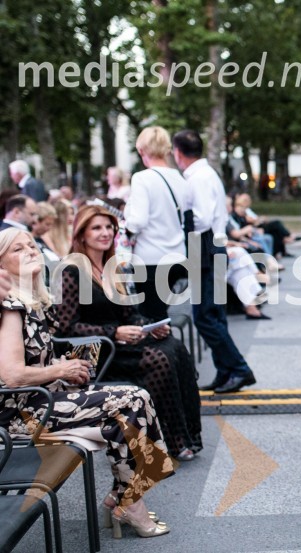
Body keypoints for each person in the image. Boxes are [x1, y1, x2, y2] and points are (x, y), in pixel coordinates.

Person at [0, 227, 172, 538]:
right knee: (130, 401)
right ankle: (128, 501)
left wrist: (64, 365)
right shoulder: (11, 308)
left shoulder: (31, 302)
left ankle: (124, 496)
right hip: (24, 414)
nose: (30, 251)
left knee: (138, 397)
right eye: (17, 249)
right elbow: (13, 375)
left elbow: (34, 359)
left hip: (45, 400)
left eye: (31, 245)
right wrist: (60, 371)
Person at [53, 204, 202, 460]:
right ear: (82, 234)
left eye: (109, 227)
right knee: (158, 360)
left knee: (174, 346)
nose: (105, 233)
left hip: (118, 343)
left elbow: (130, 312)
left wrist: (149, 326)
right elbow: (66, 327)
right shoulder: (71, 271)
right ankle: (163, 441)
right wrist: (115, 332)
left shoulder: (114, 267)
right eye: (96, 228)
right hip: (94, 349)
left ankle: (184, 434)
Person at [171, 129, 258, 394]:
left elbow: (202, 219)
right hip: (213, 246)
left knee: (205, 316)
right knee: (214, 315)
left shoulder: (196, 178)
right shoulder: (207, 174)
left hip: (204, 246)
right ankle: (226, 370)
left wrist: (180, 224)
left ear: (178, 152)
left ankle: (239, 368)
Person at [123, 126, 189, 322]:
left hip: (151, 259)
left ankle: (163, 352)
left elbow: (138, 221)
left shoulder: (142, 178)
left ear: (142, 150)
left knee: (152, 320)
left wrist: (126, 225)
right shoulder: (179, 178)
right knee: (160, 314)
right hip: (177, 256)